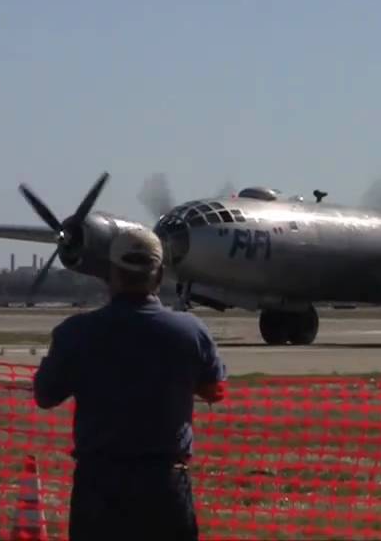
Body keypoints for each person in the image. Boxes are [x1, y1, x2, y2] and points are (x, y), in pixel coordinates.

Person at [33, 225, 227, 541]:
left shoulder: (75, 332)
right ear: (159, 274)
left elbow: (44, 395)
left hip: (99, 485)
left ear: (111, 274)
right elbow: (215, 391)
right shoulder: (190, 331)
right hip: (164, 485)